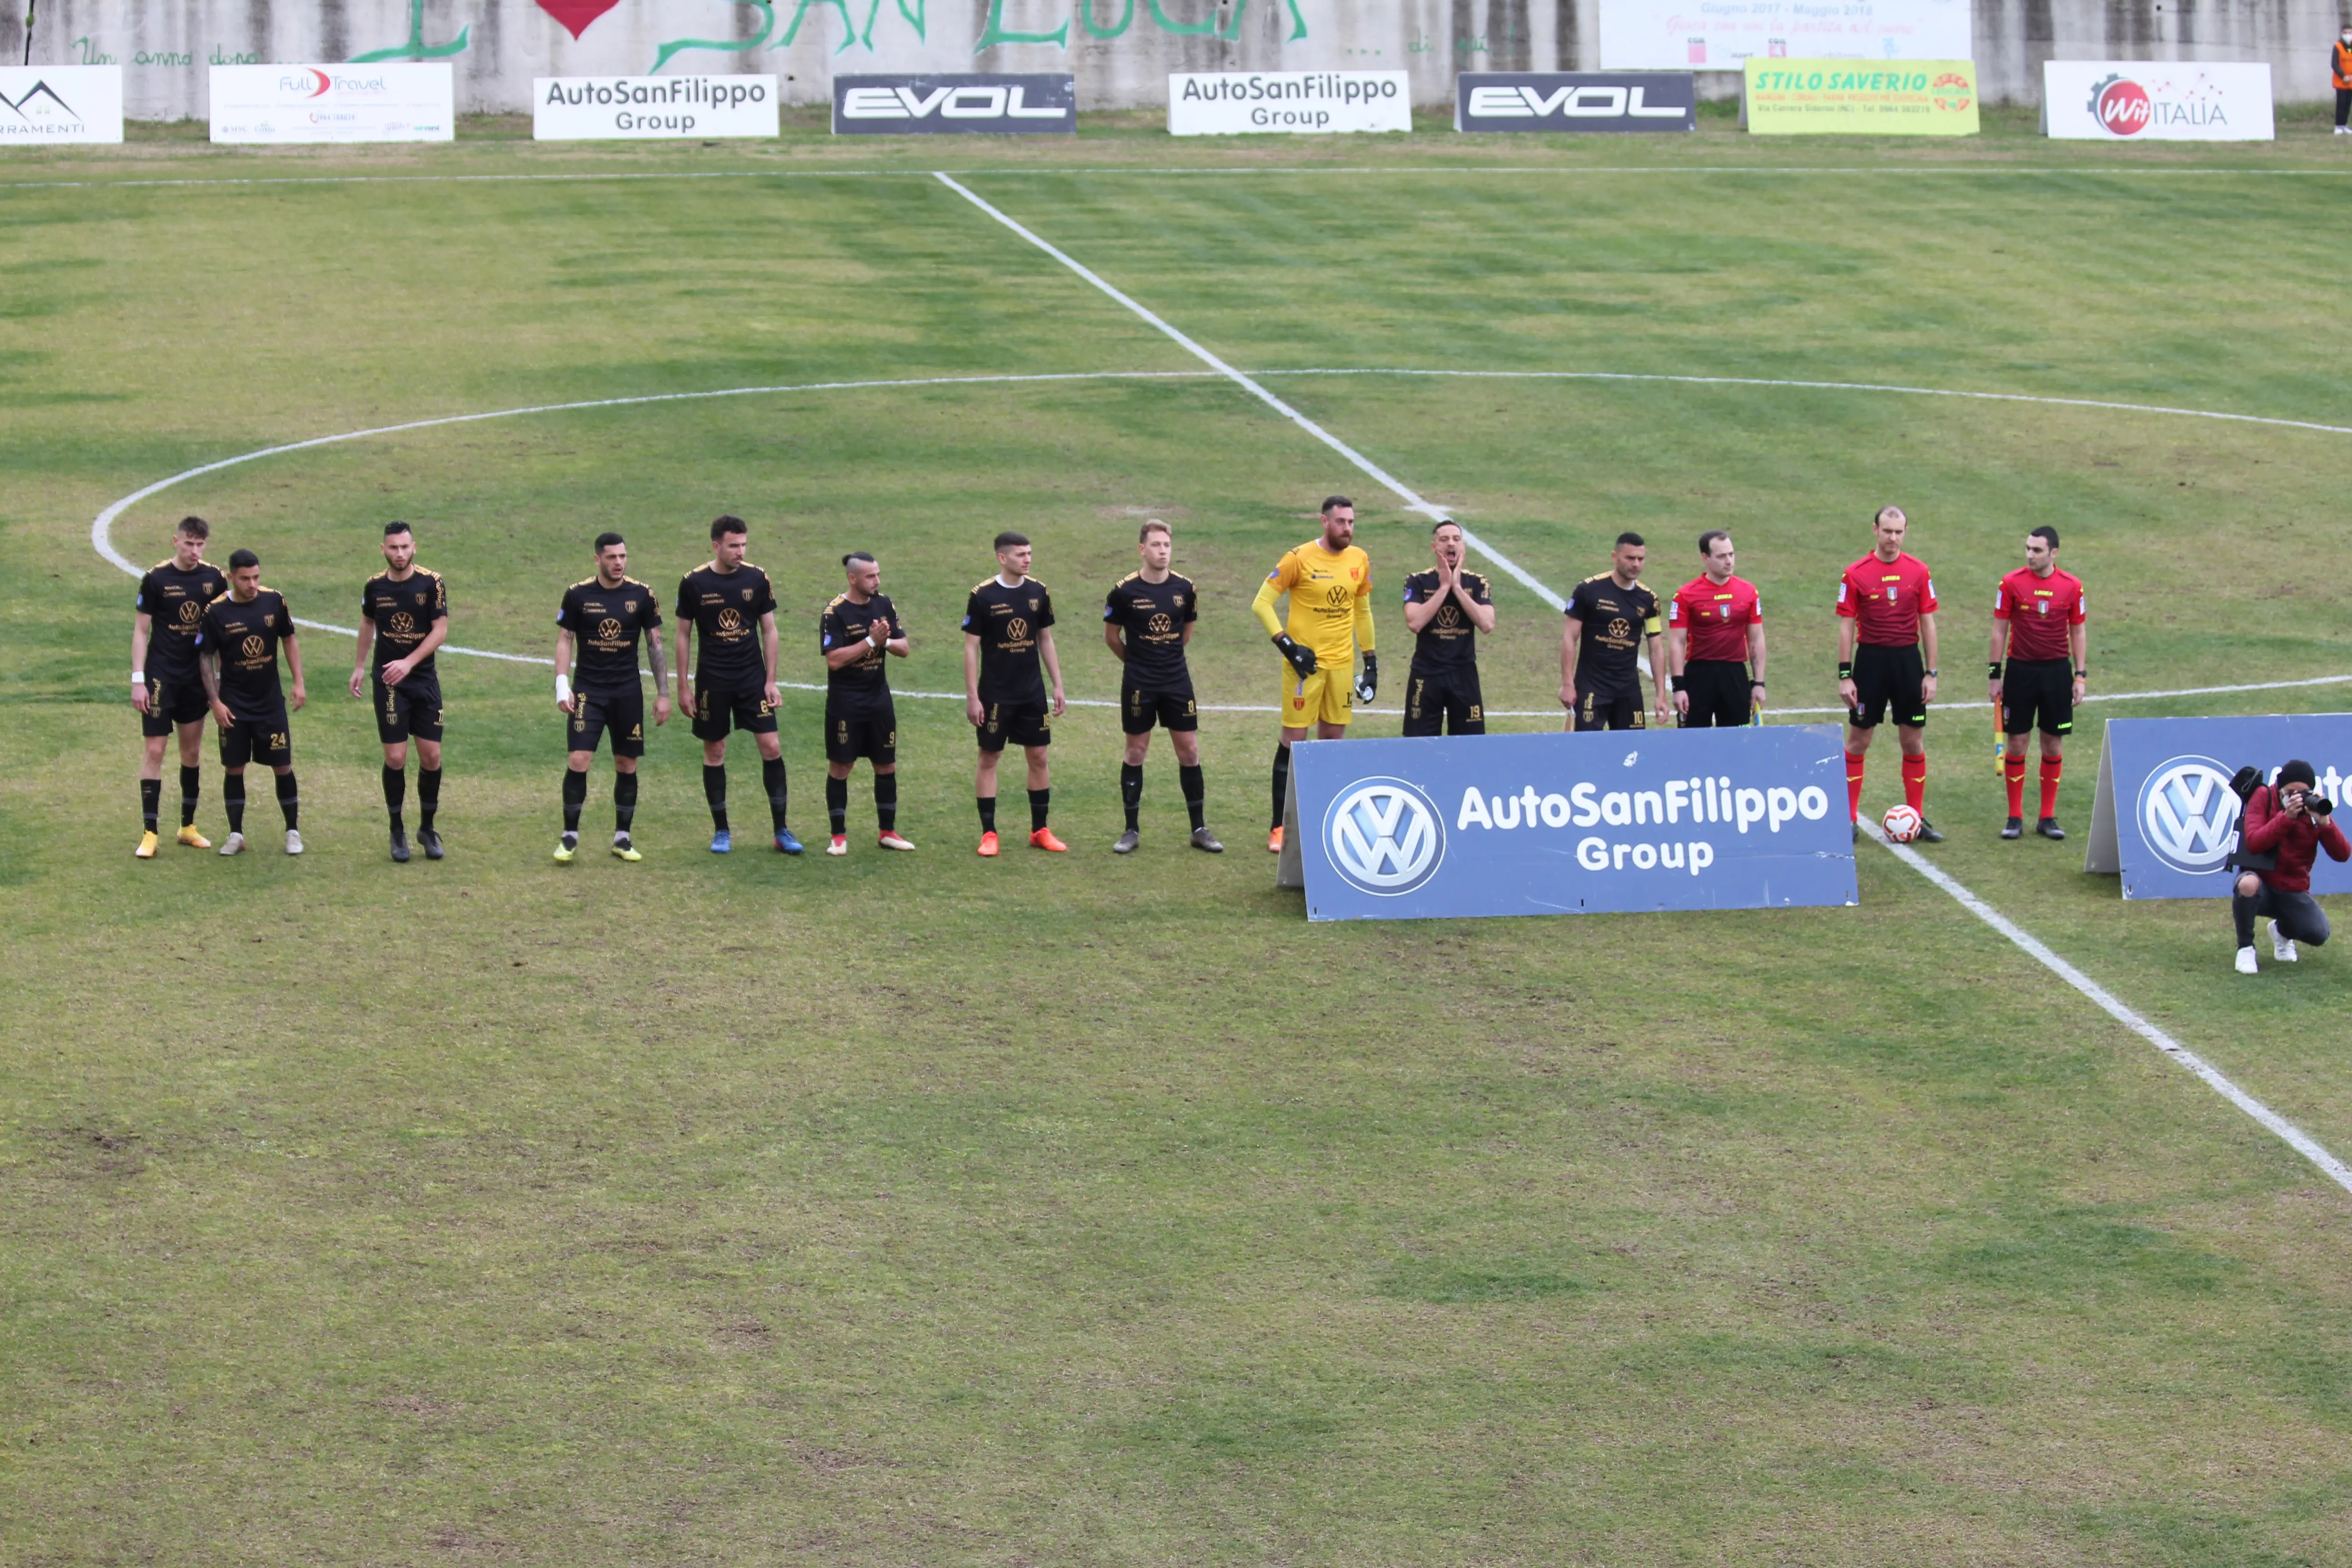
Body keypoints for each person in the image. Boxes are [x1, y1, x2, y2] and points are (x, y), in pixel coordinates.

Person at [1252, 495, 1375, 853]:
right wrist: (1288, 646)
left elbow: (1363, 611)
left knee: (1334, 741)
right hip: (1305, 668)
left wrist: (1371, 662)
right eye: (1341, 522)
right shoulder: (1299, 559)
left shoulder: (1359, 560)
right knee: (1294, 742)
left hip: (1342, 666)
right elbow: (1261, 603)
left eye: (1351, 522)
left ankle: (1325, 819)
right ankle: (1279, 827)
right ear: (1324, 522)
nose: (1347, 529)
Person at [675, 515, 797, 856]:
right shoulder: (694, 583)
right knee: (715, 751)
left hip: (752, 679)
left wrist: (771, 681)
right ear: (716, 546)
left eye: (744, 545)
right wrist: (684, 687)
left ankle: (781, 830)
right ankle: (722, 831)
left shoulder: (757, 578)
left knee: (771, 746)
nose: (740, 551)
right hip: (713, 680)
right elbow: (683, 636)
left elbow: (769, 631)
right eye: (733, 546)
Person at [1104, 519, 1220, 854]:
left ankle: (1199, 829)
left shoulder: (1185, 588)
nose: (1163, 551)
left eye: (1167, 545)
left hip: (1176, 681)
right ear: (1143, 549)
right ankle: (1130, 831)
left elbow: (1185, 635)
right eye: (1156, 545)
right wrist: (1138, 663)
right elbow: (1112, 638)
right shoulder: (1124, 591)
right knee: (1136, 752)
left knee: (1190, 752)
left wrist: (1163, 660)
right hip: (1140, 682)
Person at [554, 533, 669, 863]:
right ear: (597, 560)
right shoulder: (577, 595)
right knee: (579, 759)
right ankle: (569, 837)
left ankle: (623, 838)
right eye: (611, 557)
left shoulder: (642, 594)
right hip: (589, 691)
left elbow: (655, 645)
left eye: (623, 556)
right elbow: (565, 640)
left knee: (626, 763)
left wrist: (663, 694)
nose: (619, 562)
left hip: (627, 692)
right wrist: (563, 684)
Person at [1837, 505, 1942, 841]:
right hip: (1870, 663)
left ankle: (1918, 816)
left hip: (1908, 663)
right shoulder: (1855, 573)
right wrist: (1845, 674)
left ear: (1905, 533)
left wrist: (1931, 673)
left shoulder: (1919, 571)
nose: (1893, 538)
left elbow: (1928, 623)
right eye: (1887, 531)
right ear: (1875, 531)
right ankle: (1849, 819)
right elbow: (1846, 626)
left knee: (1912, 741)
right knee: (1858, 740)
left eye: (1899, 532)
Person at [195, 549, 306, 857]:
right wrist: (215, 702)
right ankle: (236, 835)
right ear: (231, 578)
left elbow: (289, 638)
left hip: (270, 703)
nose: (252, 584)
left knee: (283, 766)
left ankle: (293, 832)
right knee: (234, 768)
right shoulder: (216, 612)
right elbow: (204, 658)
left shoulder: (274, 601)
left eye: (256, 577)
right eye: (245, 579)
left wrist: (298, 682)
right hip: (234, 704)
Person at [350, 521, 450, 862]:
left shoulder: (431, 583)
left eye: (405, 547)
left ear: (414, 547)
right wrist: (361, 666)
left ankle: (427, 827)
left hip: (423, 680)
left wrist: (408, 662)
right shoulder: (374, 587)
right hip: (390, 683)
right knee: (395, 758)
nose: (400, 554)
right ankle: (397, 830)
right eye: (393, 548)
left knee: (431, 757)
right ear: (383, 550)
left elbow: (441, 630)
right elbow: (367, 623)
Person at [963, 531, 1067, 857]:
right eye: (1021, 554)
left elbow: (1045, 640)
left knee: (1039, 756)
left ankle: (1040, 830)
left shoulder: (1038, 592)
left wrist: (1058, 684)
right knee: (989, 757)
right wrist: (972, 696)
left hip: (1031, 693)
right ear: (1002, 558)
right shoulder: (983, 596)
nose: (1028, 559)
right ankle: (989, 833)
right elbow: (971, 647)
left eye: (1030, 553)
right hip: (995, 694)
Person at [131, 516, 227, 858]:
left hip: (196, 678)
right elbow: (141, 632)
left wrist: (219, 677)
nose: (195, 551)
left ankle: (187, 827)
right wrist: (138, 680)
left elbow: (221, 631)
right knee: (155, 752)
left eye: (201, 545)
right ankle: (149, 832)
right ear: (176, 541)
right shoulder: (156, 579)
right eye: (189, 544)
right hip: (161, 676)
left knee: (191, 752)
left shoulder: (214, 578)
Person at [1988, 525, 2087, 841]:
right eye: (2028, 549)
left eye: (2037, 550)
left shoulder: (2072, 587)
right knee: (2017, 743)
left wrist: (2080, 676)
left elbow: (2079, 631)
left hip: (2057, 672)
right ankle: (2015, 816)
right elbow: (1999, 630)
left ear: (2054, 553)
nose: (2030, 555)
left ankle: (2047, 817)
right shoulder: (2011, 583)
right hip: (2020, 671)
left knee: (2053, 743)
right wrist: (1995, 674)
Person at [820, 552, 915, 855]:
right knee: (841, 766)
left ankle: (888, 832)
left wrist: (884, 641)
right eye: (871, 576)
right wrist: (871, 642)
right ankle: (838, 837)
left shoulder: (884, 604)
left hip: (879, 701)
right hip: (846, 703)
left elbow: (904, 648)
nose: (877, 581)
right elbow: (834, 660)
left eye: (878, 575)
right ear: (853, 579)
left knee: (886, 765)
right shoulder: (834, 613)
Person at [2232, 761, 2348, 974]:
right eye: (2290, 792)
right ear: (2279, 789)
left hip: (2293, 889)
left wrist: (2325, 824)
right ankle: (2246, 948)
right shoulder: (2264, 797)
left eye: (2302, 793)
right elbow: (2254, 843)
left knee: (2318, 933)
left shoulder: (2313, 810)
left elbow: (2343, 855)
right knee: (2247, 884)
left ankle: (2282, 932)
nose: (2296, 797)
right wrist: (2285, 818)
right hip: (2261, 884)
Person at [1560, 533, 1667, 733]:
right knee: (1585, 748)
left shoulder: (1648, 599)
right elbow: (1570, 637)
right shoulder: (1588, 590)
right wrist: (1568, 684)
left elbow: (1656, 647)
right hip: (1592, 685)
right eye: (1630, 558)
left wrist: (1661, 694)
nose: (1636, 564)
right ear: (1615, 557)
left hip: (1628, 687)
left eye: (1640, 559)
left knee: (1632, 751)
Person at [1400, 519, 1493, 737]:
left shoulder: (1478, 583)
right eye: (1444, 540)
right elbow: (1415, 623)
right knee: (1418, 746)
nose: (1451, 544)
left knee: (1470, 747)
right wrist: (1444, 587)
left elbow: (1487, 624)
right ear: (1435, 547)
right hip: (1426, 675)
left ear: (1463, 547)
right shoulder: (1417, 581)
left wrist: (1457, 588)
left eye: (1456, 539)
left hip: (1464, 675)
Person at [1667, 529, 1767, 728]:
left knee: (1737, 744)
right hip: (1699, 675)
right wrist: (1679, 687)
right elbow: (1677, 643)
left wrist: (1759, 683)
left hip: (1735, 675)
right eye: (1721, 556)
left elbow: (1756, 639)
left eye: (1731, 554)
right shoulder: (1686, 595)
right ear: (1706, 558)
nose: (1729, 561)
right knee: (1692, 744)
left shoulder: (1749, 592)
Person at [2335, 24, 2352, 135]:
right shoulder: (2338, 46)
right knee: (2341, 103)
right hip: (2341, 81)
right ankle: (2338, 126)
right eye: (2346, 33)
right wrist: (2343, 76)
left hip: (2351, 81)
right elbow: (2335, 64)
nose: (2348, 35)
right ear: (2342, 34)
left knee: (2347, 104)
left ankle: (2345, 125)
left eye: (2350, 33)